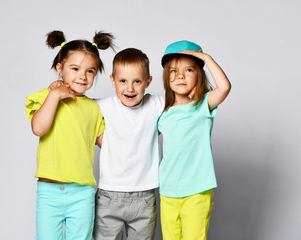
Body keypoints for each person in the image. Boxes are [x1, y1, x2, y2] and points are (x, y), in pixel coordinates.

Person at [25, 30, 114, 240]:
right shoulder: (48, 96)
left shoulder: (94, 108)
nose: (82, 76)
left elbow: (108, 145)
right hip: (49, 192)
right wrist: (55, 95)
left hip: (82, 193)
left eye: (90, 71)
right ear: (60, 68)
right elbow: (38, 128)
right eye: (75, 69)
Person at [157, 40, 231, 240]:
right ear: (166, 78)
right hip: (168, 190)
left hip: (197, 191)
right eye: (173, 71)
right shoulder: (162, 113)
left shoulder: (202, 106)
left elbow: (224, 87)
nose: (180, 75)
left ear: (198, 74)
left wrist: (206, 58)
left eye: (188, 70)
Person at [93, 48, 164, 240]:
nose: (130, 88)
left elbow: (185, 102)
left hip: (145, 196)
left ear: (148, 81)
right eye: (123, 81)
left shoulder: (156, 104)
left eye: (137, 81)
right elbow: (75, 105)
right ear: (113, 80)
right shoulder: (102, 106)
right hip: (109, 194)